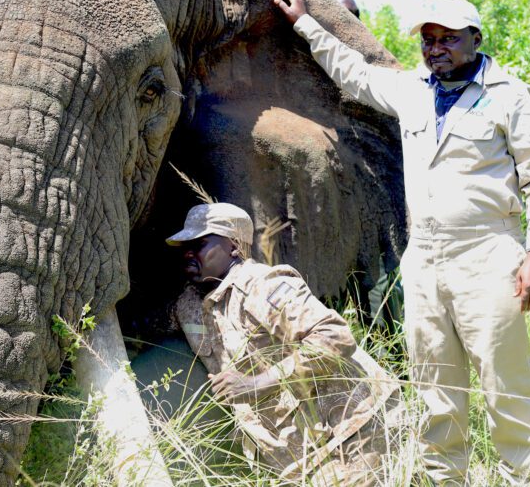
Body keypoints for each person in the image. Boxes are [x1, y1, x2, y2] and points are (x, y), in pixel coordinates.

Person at [274, 0, 530, 484]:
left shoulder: (508, 97)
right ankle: (443, 478)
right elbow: (354, 74)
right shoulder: (411, 91)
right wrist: (305, 24)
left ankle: (529, 478)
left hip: (489, 256)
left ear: (475, 37)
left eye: (448, 38)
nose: (436, 48)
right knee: (435, 391)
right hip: (424, 260)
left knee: (506, 387)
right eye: (428, 39)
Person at [166, 202, 400, 486]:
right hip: (296, 457)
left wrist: (259, 383)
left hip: (352, 434)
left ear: (234, 246)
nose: (188, 252)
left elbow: (334, 335)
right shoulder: (190, 304)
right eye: (184, 246)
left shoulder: (263, 285)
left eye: (200, 243)